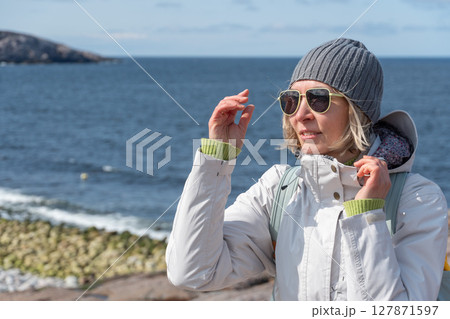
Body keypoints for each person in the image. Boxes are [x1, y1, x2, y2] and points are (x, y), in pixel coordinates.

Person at [165, 38, 448, 300]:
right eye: (291, 100)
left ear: (357, 111)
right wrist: (217, 160)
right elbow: (193, 271)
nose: (300, 115)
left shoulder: (418, 199)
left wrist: (367, 215)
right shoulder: (279, 189)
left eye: (318, 99)